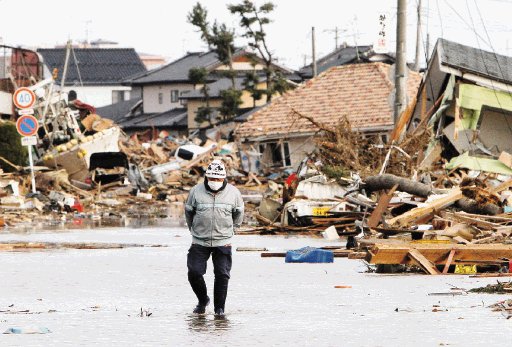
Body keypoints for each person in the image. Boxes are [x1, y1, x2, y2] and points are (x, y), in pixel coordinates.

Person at [184, 159, 244, 317]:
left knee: (222, 274)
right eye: (212, 179)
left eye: (218, 179)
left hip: (223, 241)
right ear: (206, 177)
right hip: (199, 240)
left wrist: (233, 231)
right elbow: (189, 212)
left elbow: (238, 214)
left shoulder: (234, 193)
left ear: (224, 178)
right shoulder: (196, 191)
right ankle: (203, 301)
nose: (215, 182)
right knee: (194, 272)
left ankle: (219, 310)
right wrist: (193, 230)